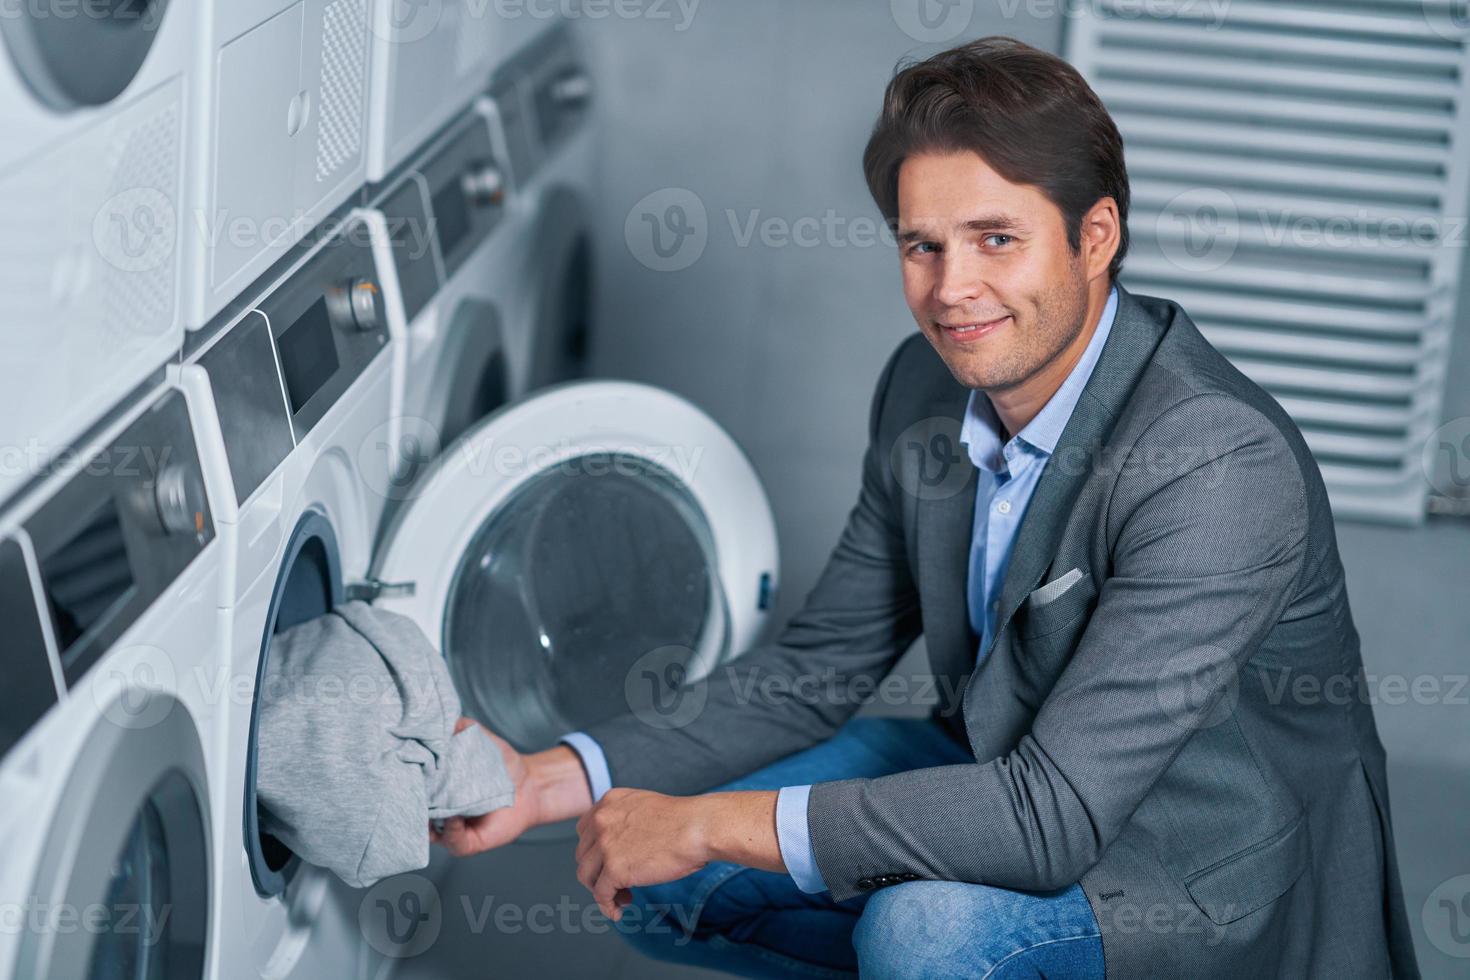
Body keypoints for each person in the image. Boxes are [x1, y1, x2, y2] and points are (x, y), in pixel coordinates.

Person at [435, 36, 1417, 978]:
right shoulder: (923, 389)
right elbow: (815, 669)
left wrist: (701, 823)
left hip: (1193, 865)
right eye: (922, 245)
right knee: (645, 858)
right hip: (1010, 767)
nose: (953, 290)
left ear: (1095, 236)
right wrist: (548, 777)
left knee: (926, 933)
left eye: (997, 238)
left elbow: (1054, 816)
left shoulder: (1214, 459)